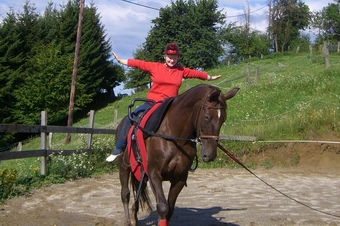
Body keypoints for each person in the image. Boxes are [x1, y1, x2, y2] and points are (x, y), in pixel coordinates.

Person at [106, 43, 222, 162]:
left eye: (175, 58)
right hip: (152, 102)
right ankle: (119, 148)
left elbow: (195, 73)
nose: (172, 60)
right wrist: (121, 61)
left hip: (172, 104)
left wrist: (209, 77)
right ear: (165, 57)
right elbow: (139, 64)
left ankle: (186, 157)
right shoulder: (155, 67)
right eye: (170, 57)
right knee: (132, 117)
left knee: (188, 124)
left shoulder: (180, 70)